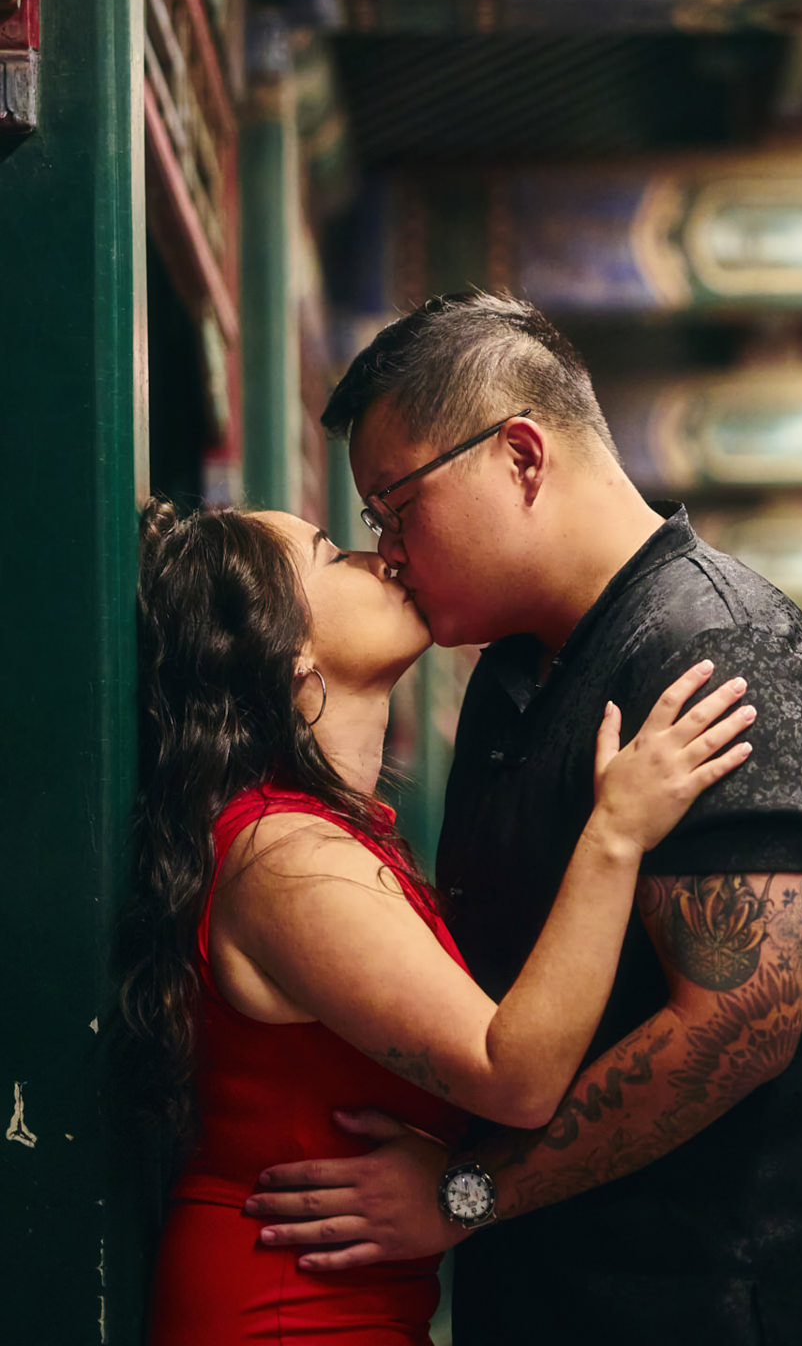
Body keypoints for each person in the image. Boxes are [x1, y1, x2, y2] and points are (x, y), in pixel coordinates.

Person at [245, 292, 802, 1346]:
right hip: (555, 1295)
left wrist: (464, 1194)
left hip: (731, 1301)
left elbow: (734, 1026)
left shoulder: (716, 649)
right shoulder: (510, 673)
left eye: (394, 507)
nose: (385, 550)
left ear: (520, 456)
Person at [124, 496, 756, 1345]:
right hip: (283, 1308)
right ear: (290, 652)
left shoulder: (328, 835)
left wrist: (450, 1179)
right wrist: (616, 832)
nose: (378, 556)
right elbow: (516, 1075)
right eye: (330, 555)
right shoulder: (285, 857)